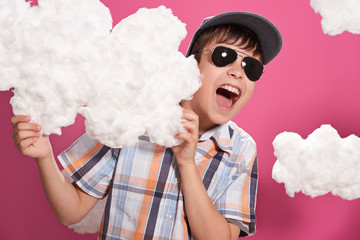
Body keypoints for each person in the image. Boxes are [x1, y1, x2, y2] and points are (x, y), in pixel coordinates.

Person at [11, 11, 282, 240]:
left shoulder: (241, 149)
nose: (238, 71)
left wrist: (186, 164)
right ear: (191, 65)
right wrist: (44, 156)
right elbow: (73, 211)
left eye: (251, 67)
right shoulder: (133, 115)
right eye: (224, 56)